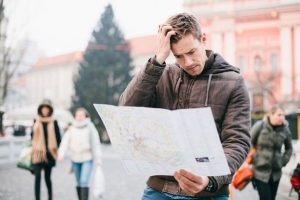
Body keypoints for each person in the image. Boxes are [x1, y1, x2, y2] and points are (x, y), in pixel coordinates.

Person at [119, 13, 251, 200]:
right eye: (179, 56)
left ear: (203, 39)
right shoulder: (162, 74)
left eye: (191, 52)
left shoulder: (233, 82)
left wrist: (210, 179)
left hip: (208, 193)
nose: (187, 62)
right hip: (158, 189)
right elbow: (126, 113)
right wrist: (157, 61)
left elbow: (237, 142)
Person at [58, 108, 102, 200]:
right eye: (78, 115)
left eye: (82, 115)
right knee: (78, 182)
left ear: (86, 116)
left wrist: (98, 158)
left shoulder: (90, 127)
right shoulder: (71, 128)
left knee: (84, 181)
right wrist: (61, 154)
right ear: (75, 116)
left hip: (87, 158)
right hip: (75, 159)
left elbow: (96, 143)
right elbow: (65, 142)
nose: (80, 117)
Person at [251, 105, 293, 200]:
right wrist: (255, 158)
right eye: (279, 115)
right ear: (271, 114)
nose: (282, 117)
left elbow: (289, 148)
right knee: (265, 198)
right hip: (260, 171)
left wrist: (283, 161)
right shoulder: (260, 126)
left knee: (272, 198)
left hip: (276, 173)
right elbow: (249, 142)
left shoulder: (285, 130)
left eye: (283, 115)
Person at [31, 100, 61, 200]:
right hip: (38, 152)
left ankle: (50, 197)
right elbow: (32, 136)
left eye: (47, 108)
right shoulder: (36, 120)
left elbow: (58, 138)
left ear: (50, 110)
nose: (45, 110)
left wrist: (55, 149)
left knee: (47, 178)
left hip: (49, 153)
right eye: (43, 108)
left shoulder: (54, 122)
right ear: (40, 109)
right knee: (38, 177)